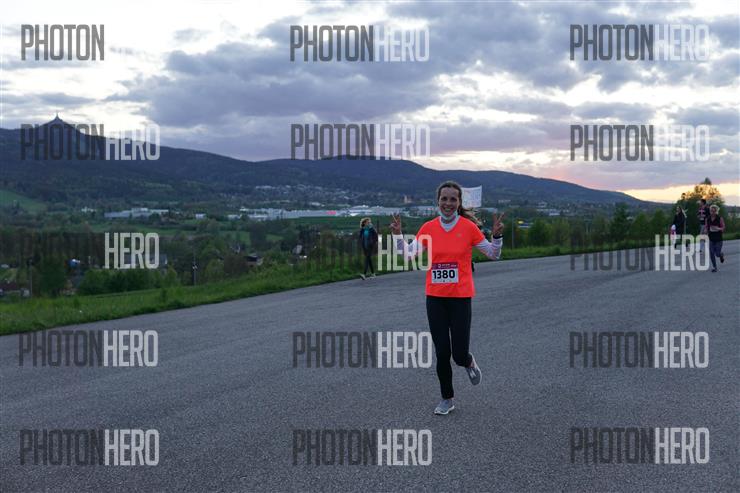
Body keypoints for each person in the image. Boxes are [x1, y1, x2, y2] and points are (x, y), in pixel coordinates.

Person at [389, 181, 505, 415]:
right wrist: (397, 235)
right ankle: (447, 398)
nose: (448, 203)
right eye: (444, 198)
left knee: (458, 354)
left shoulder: (468, 228)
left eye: (453, 199)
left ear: (459, 202)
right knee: (442, 353)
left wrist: (496, 237)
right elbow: (408, 255)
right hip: (435, 298)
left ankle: (468, 361)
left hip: (461, 298)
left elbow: (493, 254)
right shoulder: (428, 228)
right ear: (438, 201)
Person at [705, 204, 725, 272]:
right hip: (711, 238)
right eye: (711, 211)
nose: (712, 212)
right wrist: (706, 231)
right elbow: (706, 227)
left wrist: (718, 228)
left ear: (716, 211)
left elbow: (723, 228)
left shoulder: (720, 218)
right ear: (710, 211)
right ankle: (714, 267)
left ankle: (721, 255)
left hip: (718, 239)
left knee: (717, 254)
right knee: (711, 253)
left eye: (714, 211)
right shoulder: (707, 219)